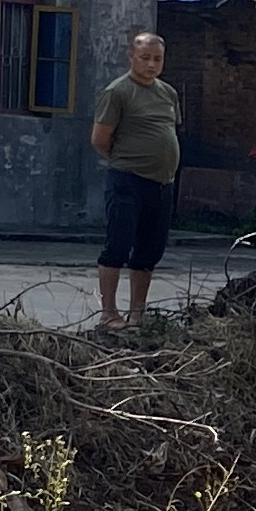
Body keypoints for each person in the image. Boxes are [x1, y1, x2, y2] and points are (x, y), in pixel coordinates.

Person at [90, 29, 184, 331]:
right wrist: (129, 161)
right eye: (145, 58)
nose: (151, 64)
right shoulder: (118, 92)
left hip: (162, 184)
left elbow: (168, 132)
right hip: (127, 180)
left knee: (149, 252)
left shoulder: (168, 93)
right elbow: (100, 139)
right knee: (117, 247)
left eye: (157, 59)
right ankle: (109, 314)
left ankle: (137, 314)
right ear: (131, 56)